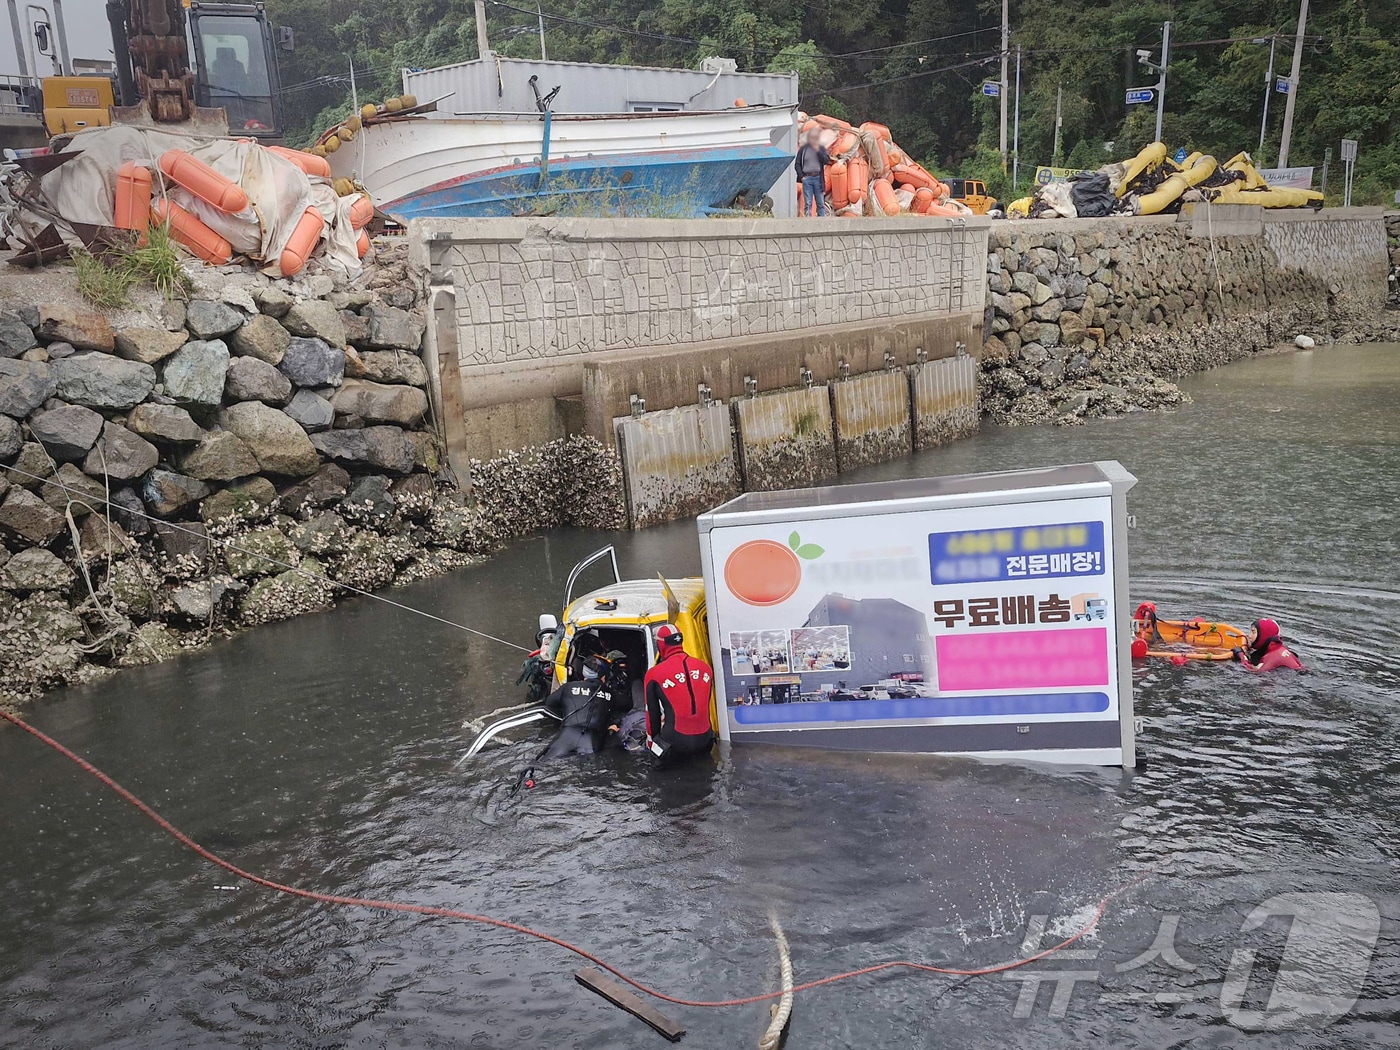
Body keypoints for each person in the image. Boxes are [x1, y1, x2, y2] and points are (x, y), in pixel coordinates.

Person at [643, 624, 716, 764]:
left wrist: (653, 742)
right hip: (706, 739)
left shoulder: (653, 674)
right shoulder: (705, 668)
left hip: (674, 741)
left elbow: (652, 716)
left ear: (660, 644)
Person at [540, 654, 615, 758]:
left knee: (540, 764)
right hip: (591, 741)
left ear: (584, 674)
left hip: (566, 736)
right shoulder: (610, 694)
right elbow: (628, 704)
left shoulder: (568, 687)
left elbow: (549, 702)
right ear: (603, 677)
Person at [1233, 618, 1306, 672]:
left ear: (1263, 635)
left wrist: (1240, 655)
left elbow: (1255, 672)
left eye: (1253, 632)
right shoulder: (1281, 649)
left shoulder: (1272, 657)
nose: (1249, 636)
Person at [793, 129, 831, 218]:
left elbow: (826, 160)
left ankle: (821, 221)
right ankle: (808, 221)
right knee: (808, 203)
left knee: (820, 202)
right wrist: (801, 177)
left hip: (818, 178)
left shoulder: (821, 148)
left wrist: (818, 152)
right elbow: (797, 164)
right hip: (807, 178)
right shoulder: (803, 149)